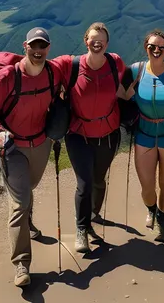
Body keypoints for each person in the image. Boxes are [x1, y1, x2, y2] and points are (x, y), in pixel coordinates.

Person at [0, 27, 63, 287]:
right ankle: (22, 264)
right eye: (33, 46)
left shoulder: (53, 72)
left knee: (30, 187)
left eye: (43, 46)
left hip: (40, 144)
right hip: (11, 146)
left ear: (48, 48)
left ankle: (27, 219)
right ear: (25, 46)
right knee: (19, 203)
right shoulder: (7, 77)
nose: (38, 51)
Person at [52, 22, 125, 253]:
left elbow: (126, 87)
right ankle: (82, 229)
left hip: (108, 135)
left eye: (101, 39)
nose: (97, 42)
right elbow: (39, 65)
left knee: (98, 180)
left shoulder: (116, 63)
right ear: (86, 41)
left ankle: (93, 214)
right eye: (93, 38)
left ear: (107, 43)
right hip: (78, 135)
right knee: (84, 184)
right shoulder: (69, 65)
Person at [123, 29, 164, 242]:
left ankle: (161, 219)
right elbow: (116, 91)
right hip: (145, 133)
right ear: (146, 48)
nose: (156, 50)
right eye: (152, 46)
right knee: (147, 185)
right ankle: (151, 209)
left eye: (161, 47)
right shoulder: (136, 71)